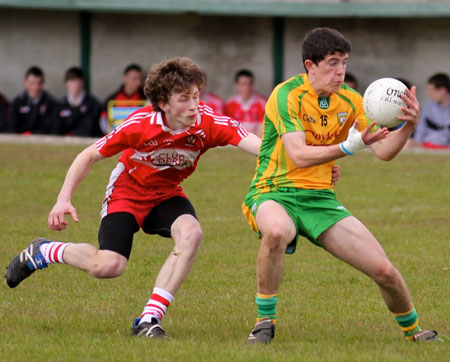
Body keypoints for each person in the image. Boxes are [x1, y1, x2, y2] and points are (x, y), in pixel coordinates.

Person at [5, 57, 264, 339]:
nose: (194, 105)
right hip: (126, 192)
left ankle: (149, 318)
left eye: (196, 96)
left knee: (192, 233)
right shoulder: (140, 124)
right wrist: (63, 198)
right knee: (108, 266)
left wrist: (298, 158)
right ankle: (43, 251)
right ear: (163, 103)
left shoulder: (208, 122)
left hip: (166, 194)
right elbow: (88, 155)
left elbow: (258, 147)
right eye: (184, 99)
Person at [242, 27, 441, 344]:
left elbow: (385, 152)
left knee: (384, 270)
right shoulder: (285, 95)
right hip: (273, 192)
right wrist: (351, 146)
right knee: (277, 231)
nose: (340, 72)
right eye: (332, 63)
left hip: (319, 199)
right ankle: (264, 321)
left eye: (344, 63)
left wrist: (409, 125)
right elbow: (298, 154)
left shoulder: (351, 101)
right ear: (310, 66)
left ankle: (415, 333)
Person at [99, 63, 146, 134]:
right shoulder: (112, 99)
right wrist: (110, 134)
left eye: (140, 79)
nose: (138, 83)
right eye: (134, 79)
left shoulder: (145, 99)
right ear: (125, 78)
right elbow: (103, 119)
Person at [54, 67, 102, 137]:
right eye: (72, 81)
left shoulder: (93, 104)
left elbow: (93, 129)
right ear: (66, 83)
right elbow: (55, 129)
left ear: (83, 83)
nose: (76, 85)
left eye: (79, 81)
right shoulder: (59, 104)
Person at [9, 66, 57, 134]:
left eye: (39, 83)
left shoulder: (51, 102)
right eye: (32, 83)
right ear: (25, 82)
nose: (35, 87)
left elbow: (53, 128)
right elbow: (12, 127)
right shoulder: (17, 102)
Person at [412, 73, 450, 148]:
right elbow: (420, 131)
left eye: (432, 90)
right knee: (408, 143)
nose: (430, 94)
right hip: (428, 144)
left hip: (447, 147)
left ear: (443, 90)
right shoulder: (428, 108)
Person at [225, 69, 266, 137]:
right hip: (235, 142)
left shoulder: (262, 103)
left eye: (250, 84)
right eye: (243, 84)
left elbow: (262, 130)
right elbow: (227, 128)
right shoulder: (230, 104)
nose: (247, 87)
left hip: (255, 140)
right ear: (237, 85)